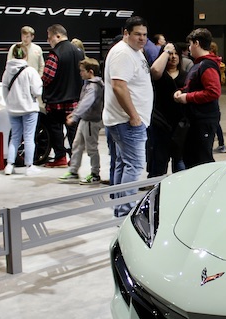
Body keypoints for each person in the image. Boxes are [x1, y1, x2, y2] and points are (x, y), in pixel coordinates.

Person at [103, 16, 153, 217]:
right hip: (128, 122)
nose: (142, 38)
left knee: (124, 164)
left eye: (144, 35)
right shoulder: (123, 53)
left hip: (128, 121)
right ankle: (125, 212)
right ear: (126, 33)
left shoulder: (134, 52)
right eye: (137, 34)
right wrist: (134, 116)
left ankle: (120, 208)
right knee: (134, 165)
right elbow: (119, 86)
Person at [173, 28, 222, 168]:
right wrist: (181, 92)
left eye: (190, 44)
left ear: (196, 43)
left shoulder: (207, 65)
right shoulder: (199, 64)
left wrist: (187, 97)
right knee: (192, 157)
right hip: (196, 121)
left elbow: (213, 92)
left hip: (203, 120)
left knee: (202, 160)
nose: (189, 48)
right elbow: (194, 86)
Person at [42, 24, 84, 168]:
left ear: (58, 36)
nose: (49, 41)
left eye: (49, 38)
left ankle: (60, 157)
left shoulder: (55, 53)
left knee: (55, 129)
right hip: (75, 99)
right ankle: (74, 158)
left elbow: (47, 77)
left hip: (56, 100)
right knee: (73, 131)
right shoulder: (79, 52)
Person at [60, 57, 104, 185]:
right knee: (77, 145)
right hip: (85, 120)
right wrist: (74, 114)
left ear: (90, 72)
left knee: (91, 148)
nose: (80, 73)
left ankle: (95, 174)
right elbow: (82, 103)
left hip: (91, 121)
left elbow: (86, 103)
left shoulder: (94, 87)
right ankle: (73, 171)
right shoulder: (89, 85)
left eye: (82, 71)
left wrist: (74, 116)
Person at [1, 43, 43, 176]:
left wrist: (10, 102)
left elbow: (4, 90)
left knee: (15, 137)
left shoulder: (7, 71)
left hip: (13, 109)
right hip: (29, 108)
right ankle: (29, 165)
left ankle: (9, 165)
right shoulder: (30, 71)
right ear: (26, 55)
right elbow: (37, 90)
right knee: (29, 137)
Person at [148, 42, 186, 176]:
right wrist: (166, 51)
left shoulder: (185, 76)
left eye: (176, 54)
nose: (173, 57)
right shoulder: (159, 75)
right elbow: (155, 71)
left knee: (180, 161)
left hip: (180, 125)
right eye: (170, 54)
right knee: (159, 161)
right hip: (160, 123)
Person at [209, 41, 226, 154]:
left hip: (213, 95)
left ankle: (221, 144)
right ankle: (221, 144)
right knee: (216, 122)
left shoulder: (213, 63)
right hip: (217, 93)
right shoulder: (219, 63)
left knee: (215, 122)